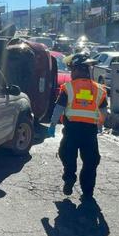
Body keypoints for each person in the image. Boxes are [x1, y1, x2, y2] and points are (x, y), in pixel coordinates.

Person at [46, 53, 109, 198]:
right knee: (91, 161)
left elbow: (59, 108)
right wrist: (100, 125)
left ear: (76, 70)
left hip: (71, 130)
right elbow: (104, 111)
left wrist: (52, 125)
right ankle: (87, 191)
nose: (71, 73)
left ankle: (69, 178)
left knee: (67, 155)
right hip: (90, 132)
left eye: (72, 70)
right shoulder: (99, 89)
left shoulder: (69, 88)